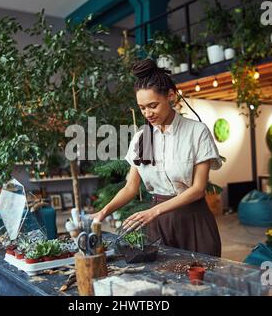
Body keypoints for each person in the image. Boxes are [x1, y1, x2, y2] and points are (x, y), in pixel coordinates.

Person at [92, 59, 222, 257]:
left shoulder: (196, 131)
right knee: (164, 282)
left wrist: (153, 212)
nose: (147, 113)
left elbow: (197, 190)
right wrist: (103, 212)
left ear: (170, 96)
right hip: (158, 227)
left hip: (194, 221)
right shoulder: (141, 138)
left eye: (153, 105)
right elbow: (130, 188)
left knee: (202, 283)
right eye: (142, 108)